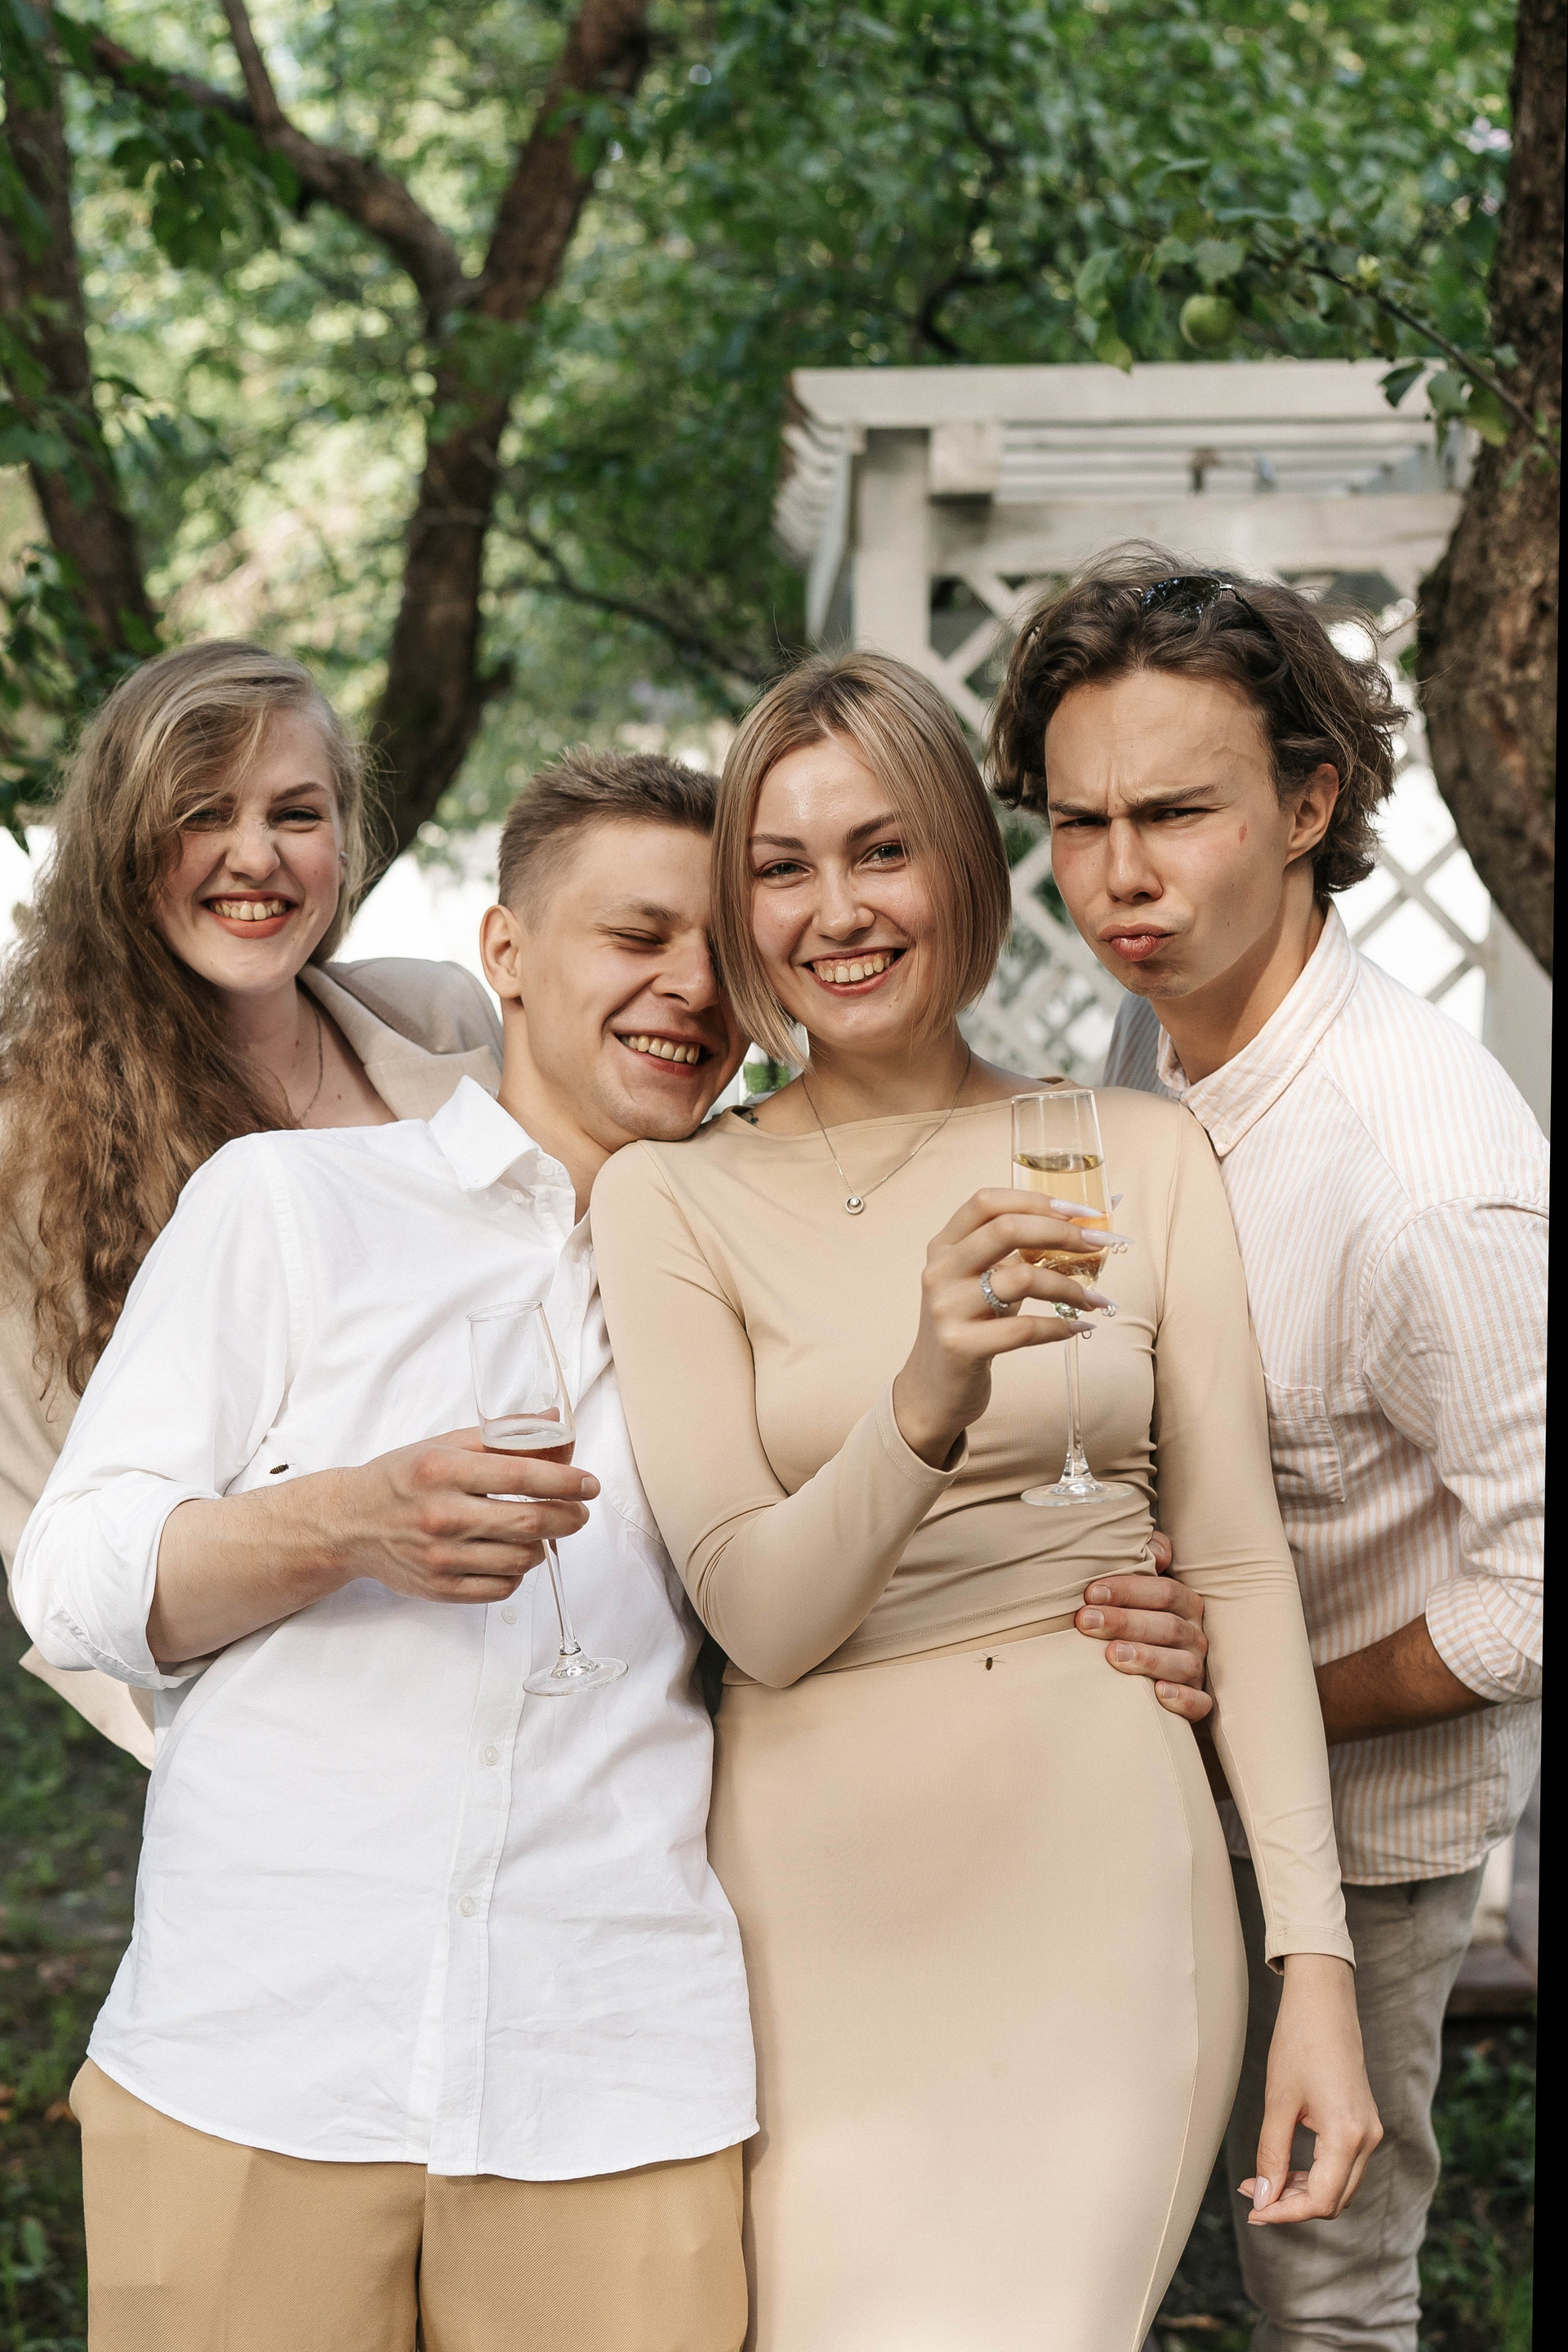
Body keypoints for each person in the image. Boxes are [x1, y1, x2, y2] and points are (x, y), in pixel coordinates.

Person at [590, 650, 1382, 2352]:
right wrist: (928, 1395)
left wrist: (1312, 1967)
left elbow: (1239, 1568)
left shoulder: (1135, 1151)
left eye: (881, 849)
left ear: (961, 860)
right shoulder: (670, 1201)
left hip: (1102, 1878)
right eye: (781, 867)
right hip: (807, 1914)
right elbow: (760, 1618)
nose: (837, 910)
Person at [11, 751, 761, 2352]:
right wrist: (340, 1523)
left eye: (727, 952)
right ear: (506, 954)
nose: (693, 989)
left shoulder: (768, 1277)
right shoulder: (289, 1205)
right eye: (638, 937)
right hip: (259, 2064)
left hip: (614, 2083)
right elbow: (70, 1580)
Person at [991, 550, 1546, 2352]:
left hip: (1364, 1823)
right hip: (1137, 1783)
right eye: (1081, 823)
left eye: (1176, 814)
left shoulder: (1426, 1176)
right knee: (1092, 2247)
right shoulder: (1145, 1038)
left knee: (1321, 2278)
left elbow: (1538, 1593)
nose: (1119, 878)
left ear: (1309, 804)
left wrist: (1266, 1699)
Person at [2, 641, 502, 1766]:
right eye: (203, 814)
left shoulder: (446, 1024)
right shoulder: (23, 1155)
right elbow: (60, 1553)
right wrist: (234, 1768)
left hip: (530, 1677)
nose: (255, 856)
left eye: (296, 813)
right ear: (122, 848)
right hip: (292, 1746)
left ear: (346, 840)